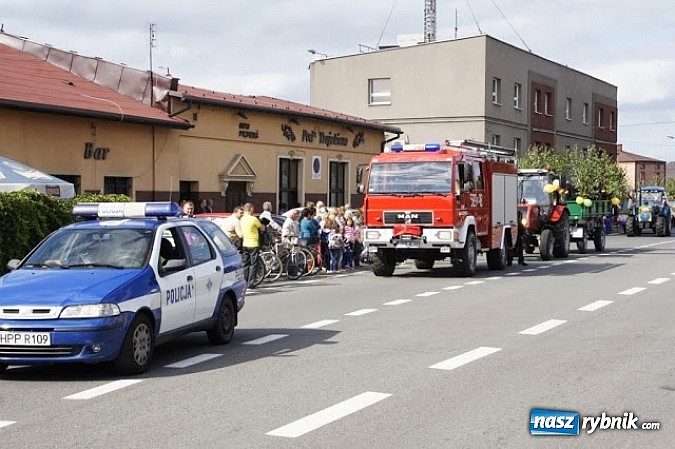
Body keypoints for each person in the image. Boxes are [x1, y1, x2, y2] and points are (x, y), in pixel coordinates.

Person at [240, 202, 265, 287]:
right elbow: (262, 228)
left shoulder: (242, 219)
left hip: (245, 244)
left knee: (246, 263)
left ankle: (245, 281)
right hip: (253, 244)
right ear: (250, 209)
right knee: (253, 264)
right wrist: (263, 225)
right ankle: (251, 282)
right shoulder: (253, 219)